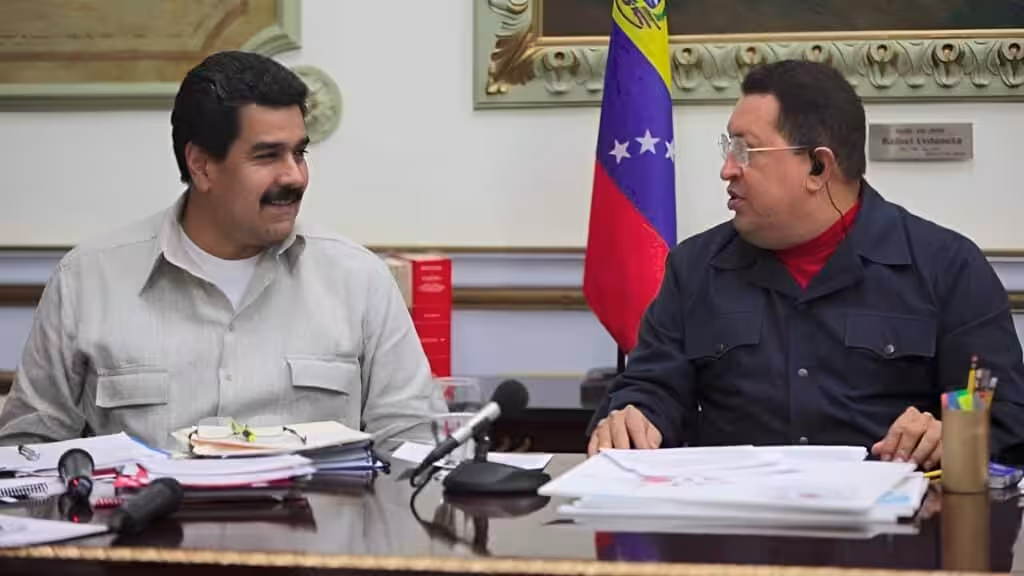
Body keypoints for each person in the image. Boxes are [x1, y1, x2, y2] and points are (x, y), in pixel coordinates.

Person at [588, 59, 1024, 468]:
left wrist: (955, 433)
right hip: (735, 515)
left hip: (895, 517)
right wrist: (634, 415)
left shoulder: (947, 267)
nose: (727, 169)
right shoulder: (694, 268)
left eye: (746, 151)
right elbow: (651, 388)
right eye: (728, 149)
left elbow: (1002, 412)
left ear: (818, 167)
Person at [0, 51, 446, 449]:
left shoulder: (358, 280)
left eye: (299, 153)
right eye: (267, 156)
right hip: (144, 518)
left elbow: (414, 445)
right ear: (201, 165)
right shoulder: (87, 280)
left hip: (318, 519)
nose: (295, 176)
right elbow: (26, 451)